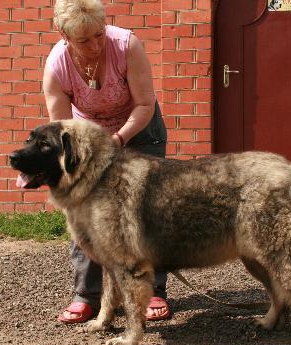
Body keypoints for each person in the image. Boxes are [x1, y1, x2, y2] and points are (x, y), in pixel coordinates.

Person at [44, 0, 170, 324]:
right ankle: (87, 295)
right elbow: (63, 131)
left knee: (145, 209)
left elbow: (144, 103)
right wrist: (82, 163)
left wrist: (117, 141)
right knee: (84, 207)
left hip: (139, 129)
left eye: (99, 35)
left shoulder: (127, 46)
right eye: (84, 40)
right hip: (88, 138)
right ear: (63, 34)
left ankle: (153, 290)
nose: (95, 44)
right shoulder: (56, 66)